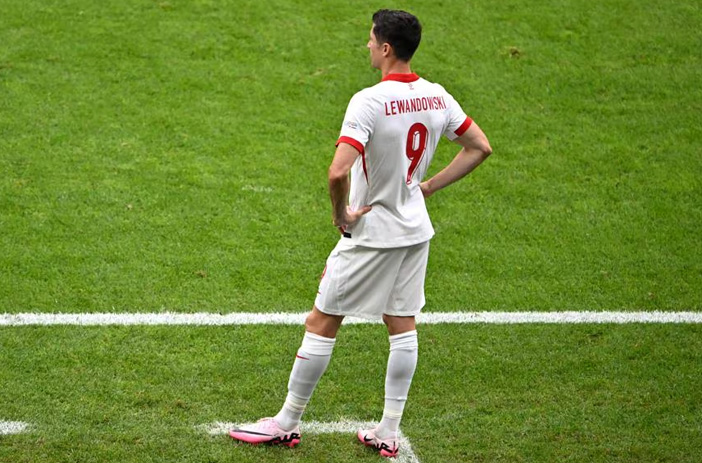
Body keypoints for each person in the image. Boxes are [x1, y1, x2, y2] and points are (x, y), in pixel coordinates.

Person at [229, 9, 492, 458]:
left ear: (386, 48)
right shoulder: (438, 95)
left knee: (322, 320)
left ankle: (286, 422)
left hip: (372, 235)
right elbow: (479, 147)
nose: (367, 45)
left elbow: (338, 172)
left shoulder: (369, 101)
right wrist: (426, 187)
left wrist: (342, 214)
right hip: (415, 231)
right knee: (401, 323)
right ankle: (388, 430)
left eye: (371, 39)